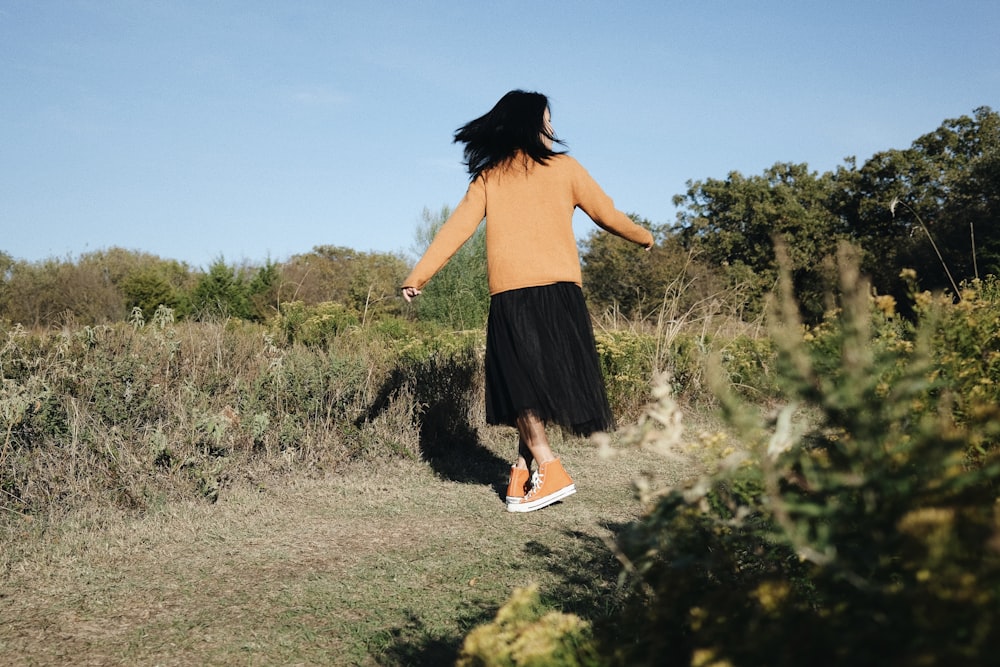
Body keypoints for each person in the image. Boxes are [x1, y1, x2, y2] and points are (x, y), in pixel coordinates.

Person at [401, 90, 653, 513]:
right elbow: (607, 213)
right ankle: (523, 470)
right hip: (560, 294)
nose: (553, 128)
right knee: (530, 384)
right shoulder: (563, 169)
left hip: (514, 293)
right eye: (547, 120)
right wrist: (643, 236)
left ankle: (549, 468)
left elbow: (454, 230)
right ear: (532, 124)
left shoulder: (491, 176)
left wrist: (418, 276)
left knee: (520, 383)